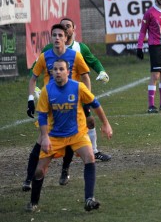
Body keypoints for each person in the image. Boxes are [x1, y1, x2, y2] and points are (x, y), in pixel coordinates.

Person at [23, 18, 111, 192]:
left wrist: (86, 98)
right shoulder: (46, 54)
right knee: (41, 140)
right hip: (50, 104)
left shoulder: (76, 53)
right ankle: (28, 178)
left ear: (67, 35)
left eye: (61, 33)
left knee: (71, 138)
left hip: (72, 102)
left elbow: (86, 74)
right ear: (52, 37)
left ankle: (65, 169)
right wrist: (31, 99)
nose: (58, 37)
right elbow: (33, 77)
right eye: (55, 34)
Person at [25, 59, 113, 212]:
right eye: (55, 69)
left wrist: (106, 124)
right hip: (55, 135)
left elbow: (95, 103)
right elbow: (42, 116)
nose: (58, 72)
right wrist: (45, 137)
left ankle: (89, 199)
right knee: (39, 171)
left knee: (90, 157)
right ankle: (33, 203)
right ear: (52, 72)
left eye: (61, 69)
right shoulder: (47, 90)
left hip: (77, 133)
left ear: (68, 71)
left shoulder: (78, 87)